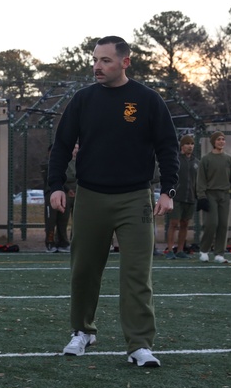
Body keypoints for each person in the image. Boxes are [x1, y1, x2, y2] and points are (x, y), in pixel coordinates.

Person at [47, 36, 178, 368]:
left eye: (105, 60)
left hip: (136, 198)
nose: (97, 66)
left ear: (125, 62)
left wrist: (168, 190)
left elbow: (167, 147)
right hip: (90, 196)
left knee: (137, 273)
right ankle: (83, 331)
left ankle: (139, 345)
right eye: (95, 60)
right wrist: (56, 185)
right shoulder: (83, 100)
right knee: (84, 270)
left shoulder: (147, 100)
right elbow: (61, 145)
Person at [196, 131, 231, 264]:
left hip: (225, 195)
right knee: (211, 223)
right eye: (218, 139)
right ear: (213, 142)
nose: (221, 141)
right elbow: (201, 180)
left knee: (223, 224)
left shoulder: (229, 160)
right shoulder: (206, 159)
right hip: (210, 194)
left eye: (223, 139)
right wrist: (201, 196)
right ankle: (204, 251)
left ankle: (219, 253)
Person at [164, 135, 198, 260]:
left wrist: (198, 195)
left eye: (192, 143)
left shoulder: (196, 162)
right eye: (187, 143)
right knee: (173, 223)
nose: (190, 146)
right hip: (176, 197)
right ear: (182, 146)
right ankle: (170, 250)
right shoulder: (176, 160)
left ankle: (180, 250)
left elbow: (198, 181)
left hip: (190, 198)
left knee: (185, 224)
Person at [40, 144, 76, 253]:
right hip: (51, 194)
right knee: (51, 220)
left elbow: (71, 176)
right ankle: (50, 242)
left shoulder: (67, 164)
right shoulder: (47, 164)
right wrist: (67, 187)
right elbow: (54, 177)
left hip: (63, 194)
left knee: (62, 220)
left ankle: (63, 242)